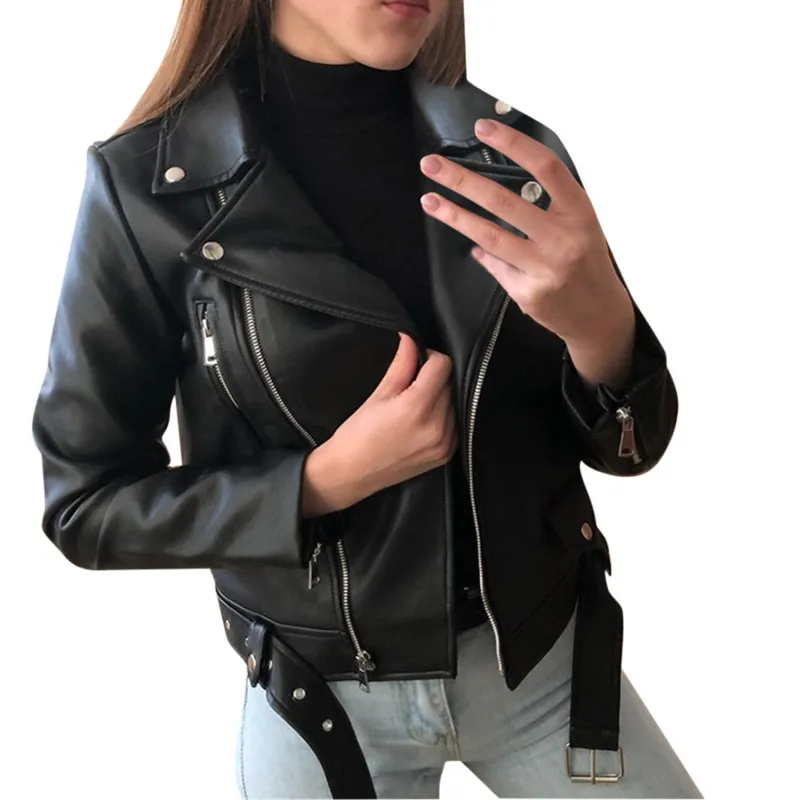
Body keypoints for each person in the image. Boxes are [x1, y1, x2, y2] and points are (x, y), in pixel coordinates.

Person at [30, 0, 703, 797]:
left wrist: (604, 334)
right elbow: (87, 504)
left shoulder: (513, 156)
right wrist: (317, 484)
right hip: (320, 702)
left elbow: (635, 445)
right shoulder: (149, 189)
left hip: (546, 665)